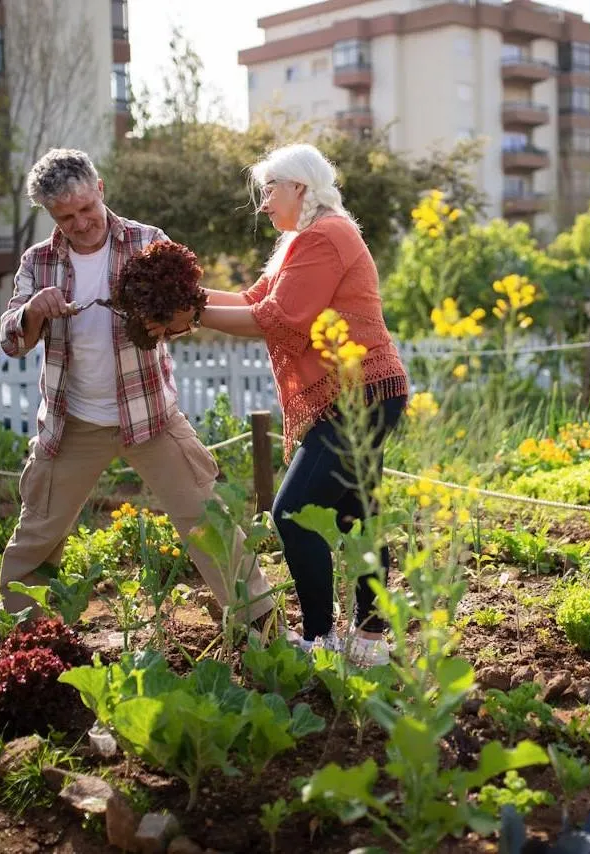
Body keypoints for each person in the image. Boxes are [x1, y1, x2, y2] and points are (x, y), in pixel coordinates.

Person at [148, 143, 408, 666]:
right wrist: (184, 294)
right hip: (360, 392)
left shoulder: (327, 235)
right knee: (361, 514)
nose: (264, 203)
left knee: (291, 513)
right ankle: (371, 640)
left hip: (357, 395)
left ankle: (321, 639)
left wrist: (190, 313)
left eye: (270, 190)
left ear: (300, 188)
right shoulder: (305, 240)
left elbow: (281, 318)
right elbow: (252, 302)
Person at [0, 148, 274, 632]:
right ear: (50, 215)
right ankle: (19, 633)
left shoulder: (149, 242)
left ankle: (261, 623)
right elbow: (11, 340)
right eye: (66, 217)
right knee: (39, 529)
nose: (81, 223)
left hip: (151, 417)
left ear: (100, 189)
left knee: (208, 517)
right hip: (73, 422)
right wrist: (34, 311)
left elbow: (186, 316)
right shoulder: (37, 262)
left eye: (86, 209)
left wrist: (166, 318)